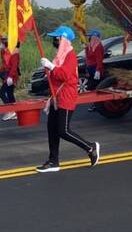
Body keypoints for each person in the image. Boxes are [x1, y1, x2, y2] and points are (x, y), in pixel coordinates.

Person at [36, 26, 100, 173]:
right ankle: (53, 161)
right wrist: (49, 69)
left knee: (63, 130)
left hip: (66, 96)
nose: (54, 40)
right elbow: (56, 75)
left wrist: (51, 67)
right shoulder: (60, 55)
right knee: (51, 128)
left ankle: (90, 147)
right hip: (56, 96)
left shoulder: (70, 55)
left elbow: (64, 75)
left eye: (56, 38)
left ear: (63, 40)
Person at [0, 37, 20, 121]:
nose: (2, 43)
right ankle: (14, 112)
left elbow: (14, 66)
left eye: (4, 41)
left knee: (1, 93)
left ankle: (10, 111)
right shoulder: (5, 51)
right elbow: (4, 62)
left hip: (11, 76)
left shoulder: (15, 52)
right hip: (6, 75)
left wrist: (11, 77)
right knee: (10, 93)